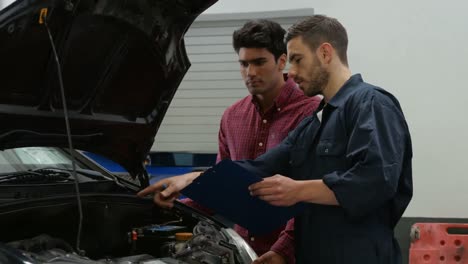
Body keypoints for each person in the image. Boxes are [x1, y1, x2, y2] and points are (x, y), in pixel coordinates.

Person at [139, 14, 413, 264]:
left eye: (297, 59)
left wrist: (297, 190)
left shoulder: (371, 104)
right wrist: (191, 179)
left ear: (326, 53)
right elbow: (260, 167)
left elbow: (376, 180)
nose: (290, 71)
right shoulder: (315, 121)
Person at [139, 19, 320, 264]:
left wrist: (282, 251)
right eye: (244, 64)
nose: (251, 72)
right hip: (241, 251)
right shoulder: (232, 117)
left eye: (259, 62)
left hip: (294, 254)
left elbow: (310, 198)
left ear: (281, 61)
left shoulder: (312, 113)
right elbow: (219, 187)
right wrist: (175, 206)